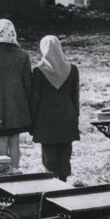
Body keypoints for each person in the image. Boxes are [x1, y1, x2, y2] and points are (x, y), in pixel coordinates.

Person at [0, 18, 32, 170]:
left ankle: (2, 174)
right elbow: (28, 84)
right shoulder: (23, 55)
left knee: (1, 140)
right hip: (18, 106)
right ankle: (14, 172)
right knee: (15, 141)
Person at [29, 35, 81, 181]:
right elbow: (75, 96)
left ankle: (52, 185)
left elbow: (35, 98)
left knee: (49, 155)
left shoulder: (39, 71)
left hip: (45, 118)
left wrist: (32, 122)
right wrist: (75, 117)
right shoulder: (73, 69)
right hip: (67, 116)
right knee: (65, 152)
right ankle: (64, 182)